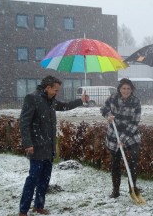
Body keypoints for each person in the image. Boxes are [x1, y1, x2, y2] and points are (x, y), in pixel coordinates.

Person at [19, 75, 89, 216]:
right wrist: (28, 143)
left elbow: (64, 106)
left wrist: (80, 100)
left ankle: (39, 206)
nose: (57, 93)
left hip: (49, 147)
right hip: (37, 146)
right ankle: (23, 210)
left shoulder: (51, 100)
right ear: (48, 87)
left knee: (45, 179)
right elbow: (24, 122)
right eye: (55, 90)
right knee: (32, 179)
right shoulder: (32, 98)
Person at [100, 78, 141, 198]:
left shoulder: (135, 102)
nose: (126, 91)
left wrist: (122, 139)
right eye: (124, 88)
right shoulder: (112, 98)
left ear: (131, 90)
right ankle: (116, 190)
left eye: (128, 88)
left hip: (131, 135)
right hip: (114, 134)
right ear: (119, 89)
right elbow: (103, 109)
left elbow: (134, 123)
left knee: (133, 161)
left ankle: (132, 188)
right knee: (115, 164)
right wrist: (108, 115)